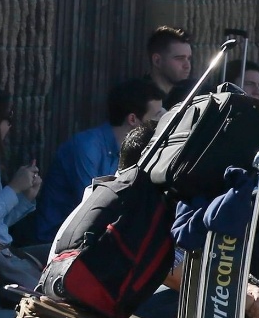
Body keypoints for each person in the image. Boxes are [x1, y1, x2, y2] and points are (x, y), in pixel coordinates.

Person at [32, 78, 165, 242]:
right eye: (158, 115)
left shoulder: (133, 147)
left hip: (93, 238)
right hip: (56, 242)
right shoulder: (86, 147)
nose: (163, 121)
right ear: (133, 119)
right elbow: (92, 209)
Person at [0, 87, 40, 289]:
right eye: (8, 118)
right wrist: (13, 188)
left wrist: (25, 198)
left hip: (6, 250)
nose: (10, 125)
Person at [146, 26, 194, 97]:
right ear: (157, 61)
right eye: (180, 58)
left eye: (189, 59)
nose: (187, 66)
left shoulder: (191, 93)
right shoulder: (137, 97)